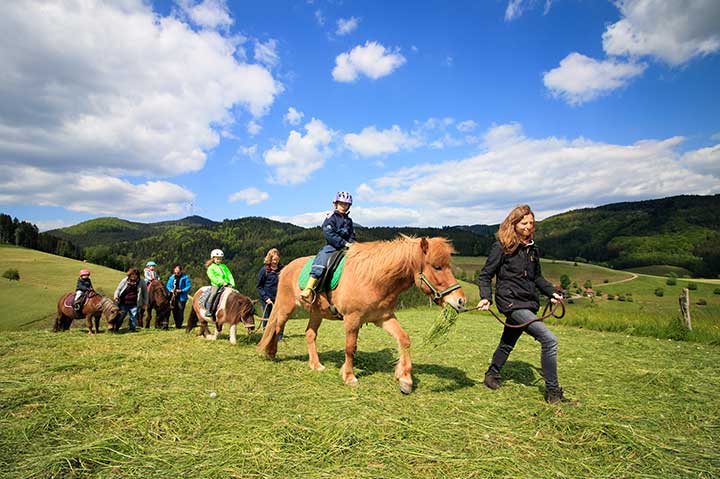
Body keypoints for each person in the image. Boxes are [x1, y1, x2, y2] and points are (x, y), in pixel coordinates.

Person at [476, 204, 571, 404]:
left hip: (528, 302)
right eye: (524, 223)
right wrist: (486, 297)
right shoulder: (501, 247)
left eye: (531, 223)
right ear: (514, 223)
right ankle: (553, 393)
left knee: (508, 342)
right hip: (511, 303)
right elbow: (485, 275)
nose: (528, 226)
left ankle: (491, 375)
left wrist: (552, 293)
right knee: (549, 340)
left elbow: (538, 277)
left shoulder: (532, 249)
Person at [299, 191, 355, 300]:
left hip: (348, 247)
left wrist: (352, 243)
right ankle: (309, 287)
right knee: (322, 260)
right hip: (332, 246)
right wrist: (344, 243)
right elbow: (329, 234)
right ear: (336, 204)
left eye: (346, 204)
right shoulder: (331, 218)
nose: (344, 207)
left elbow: (352, 234)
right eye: (341, 204)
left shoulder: (349, 220)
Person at [114, 268, 148, 332]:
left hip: (135, 303)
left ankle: (132, 329)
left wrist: (145, 303)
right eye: (132, 275)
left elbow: (145, 293)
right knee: (121, 316)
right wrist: (116, 296)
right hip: (123, 302)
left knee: (133, 316)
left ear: (137, 275)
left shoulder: (141, 282)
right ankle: (116, 328)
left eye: (135, 275)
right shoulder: (124, 280)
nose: (133, 276)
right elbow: (118, 289)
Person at [204, 249, 235, 317]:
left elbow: (229, 274)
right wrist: (221, 282)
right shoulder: (211, 267)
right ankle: (208, 309)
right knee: (213, 294)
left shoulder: (224, 266)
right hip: (216, 284)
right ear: (213, 258)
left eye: (220, 259)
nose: (219, 260)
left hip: (227, 284)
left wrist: (231, 283)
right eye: (217, 258)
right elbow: (212, 277)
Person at [257, 248, 281, 330]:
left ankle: (279, 335)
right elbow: (259, 287)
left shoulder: (281, 270)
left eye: (277, 259)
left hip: (278, 298)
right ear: (269, 259)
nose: (275, 262)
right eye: (273, 260)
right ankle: (266, 334)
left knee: (279, 317)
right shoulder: (264, 270)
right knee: (267, 317)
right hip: (267, 299)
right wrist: (266, 298)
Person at [166, 264, 191, 329]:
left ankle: (179, 324)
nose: (177, 273)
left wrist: (181, 290)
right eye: (175, 272)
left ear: (181, 271)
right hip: (173, 297)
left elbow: (188, 286)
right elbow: (168, 286)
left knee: (180, 310)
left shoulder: (185, 278)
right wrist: (171, 290)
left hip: (181, 297)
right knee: (174, 310)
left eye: (178, 272)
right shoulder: (171, 278)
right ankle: (177, 323)